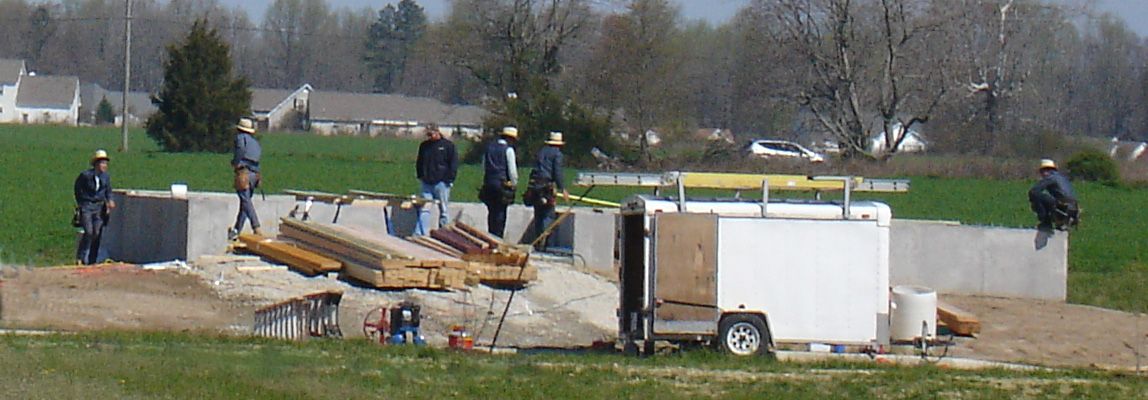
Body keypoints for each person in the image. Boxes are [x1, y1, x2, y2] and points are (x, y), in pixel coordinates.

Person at [527, 131, 570, 250]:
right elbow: (557, 172)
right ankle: (546, 245)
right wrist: (563, 188)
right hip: (547, 187)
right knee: (548, 215)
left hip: (535, 187)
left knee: (538, 215)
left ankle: (538, 242)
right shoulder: (557, 155)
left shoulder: (541, 152)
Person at [74, 149, 116, 265]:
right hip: (87, 206)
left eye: (105, 163)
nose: (104, 166)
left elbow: (108, 190)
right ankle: (80, 256)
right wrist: (81, 203)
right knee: (89, 231)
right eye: (102, 163)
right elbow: (78, 189)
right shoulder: (85, 176)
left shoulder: (106, 177)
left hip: (99, 207)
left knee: (97, 233)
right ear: (96, 164)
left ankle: (92, 260)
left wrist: (110, 200)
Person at [415, 123, 458, 235]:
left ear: (437, 132)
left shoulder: (448, 146)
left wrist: (449, 179)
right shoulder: (424, 146)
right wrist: (420, 176)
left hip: (442, 183)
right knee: (425, 208)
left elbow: (453, 164)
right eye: (428, 134)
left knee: (443, 209)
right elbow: (420, 162)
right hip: (426, 182)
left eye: (431, 134)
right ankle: (420, 233)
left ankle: (444, 233)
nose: (430, 136)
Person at [481, 126, 520, 238]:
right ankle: (498, 237)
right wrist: (514, 183)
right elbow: (512, 170)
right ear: (510, 139)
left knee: (491, 212)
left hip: (488, 182)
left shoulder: (488, 148)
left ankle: (490, 235)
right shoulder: (508, 150)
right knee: (500, 212)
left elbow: (483, 166)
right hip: (502, 184)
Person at [229, 117, 262, 241]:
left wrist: (235, 162)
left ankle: (256, 226)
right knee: (244, 203)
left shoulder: (240, 139)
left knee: (246, 202)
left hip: (244, 173)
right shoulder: (255, 143)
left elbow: (240, 150)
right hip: (255, 174)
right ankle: (237, 229)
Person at [1029, 159, 1078, 233]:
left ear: (1045, 171)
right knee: (1048, 199)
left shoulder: (1050, 177)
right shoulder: (1062, 178)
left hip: (1063, 208)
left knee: (1036, 195)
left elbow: (1034, 190)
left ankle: (1045, 223)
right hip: (1073, 210)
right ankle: (1061, 223)